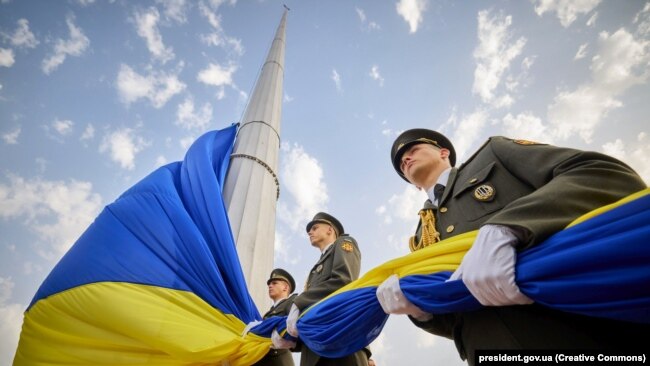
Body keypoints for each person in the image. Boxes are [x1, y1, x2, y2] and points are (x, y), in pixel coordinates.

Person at [376, 128, 648, 365]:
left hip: (575, 332)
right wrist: (421, 311)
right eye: (401, 163)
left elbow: (599, 173)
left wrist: (511, 226)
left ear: (444, 152)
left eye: (413, 149)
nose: (406, 159)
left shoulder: (493, 154)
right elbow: (456, 318)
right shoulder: (422, 234)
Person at [283, 212, 370, 366]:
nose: (310, 232)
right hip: (314, 351)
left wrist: (299, 302)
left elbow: (343, 280)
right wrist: (294, 340)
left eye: (315, 228)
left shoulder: (343, 243)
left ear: (330, 229)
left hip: (341, 339)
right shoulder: (314, 269)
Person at [254, 268, 298, 366]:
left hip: (280, 359)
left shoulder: (292, 302)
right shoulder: (266, 315)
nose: (270, 286)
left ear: (285, 287)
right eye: (269, 284)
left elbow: (294, 326)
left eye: (274, 283)